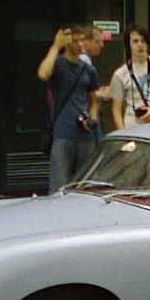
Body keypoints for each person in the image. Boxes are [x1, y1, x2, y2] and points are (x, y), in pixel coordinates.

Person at [37, 25, 99, 193]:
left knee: (85, 184)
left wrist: (92, 118)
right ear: (67, 42)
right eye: (76, 40)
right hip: (63, 132)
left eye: (82, 40)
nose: (80, 44)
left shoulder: (88, 69)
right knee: (60, 184)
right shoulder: (58, 64)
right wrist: (56, 46)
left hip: (85, 133)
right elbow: (43, 74)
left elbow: (94, 99)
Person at [79, 26, 111, 142]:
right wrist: (103, 93)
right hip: (86, 116)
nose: (102, 45)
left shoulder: (84, 60)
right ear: (85, 42)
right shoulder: (83, 60)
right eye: (97, 41)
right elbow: (82, 91)